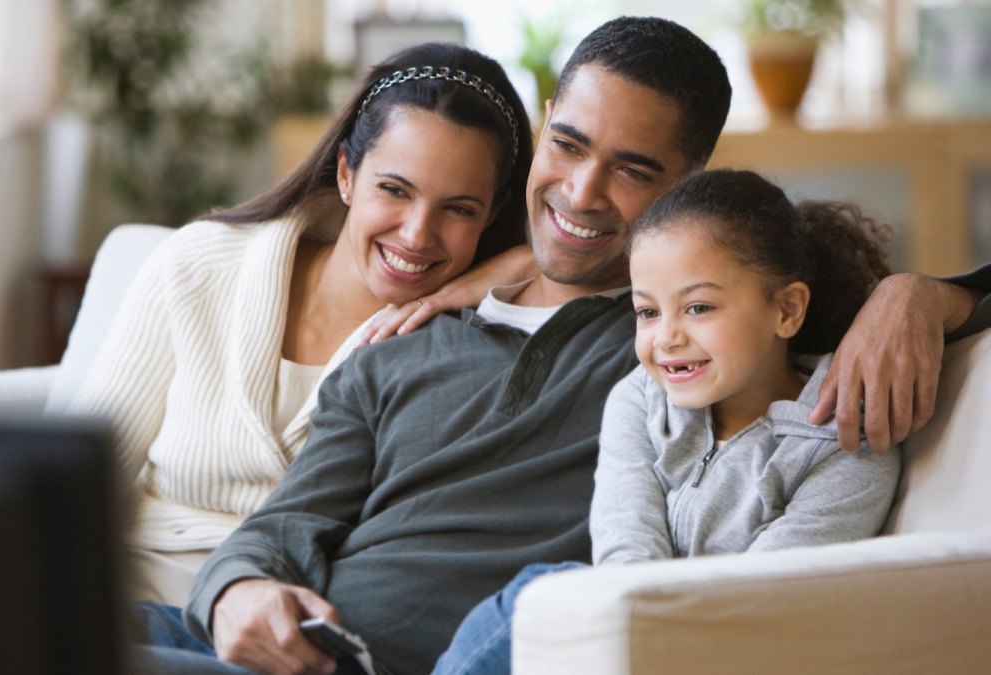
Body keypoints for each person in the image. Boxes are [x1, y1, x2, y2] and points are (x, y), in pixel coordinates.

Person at [131, 16, 991, 675]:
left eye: (633, 169)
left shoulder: (685, 346)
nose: (581, 190)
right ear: (543, 125)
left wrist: (920, 293)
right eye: (569, 144)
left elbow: (792, 313)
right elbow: (286, 523)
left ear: (687, 186)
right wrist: (241, 587)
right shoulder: (403, 344)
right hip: (290, 646)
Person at [64, 42, 534, 607]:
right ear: (345, 174)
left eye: (459, 208)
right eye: (394, 189)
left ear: (493, 213)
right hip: (124, 597)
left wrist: (528, 261)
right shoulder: (200, 265)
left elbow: (644, 262)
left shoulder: (468, 346)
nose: (416, 234)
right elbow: (80, 481)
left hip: (294, 623)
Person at [432, 168, 905, 675]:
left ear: (787, 310)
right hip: (636, 640)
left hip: (737, 654)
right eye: (647, 312)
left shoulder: (844, 441)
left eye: (698, 307)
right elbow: (624, 553)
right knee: (537, 595)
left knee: (540, 591)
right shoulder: (638, 400)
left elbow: (766, 598)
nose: (666, 338)